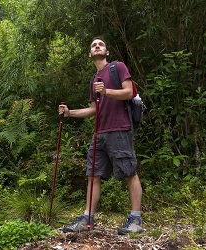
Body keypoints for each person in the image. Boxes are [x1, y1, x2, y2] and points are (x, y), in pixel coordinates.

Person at [58, 36, 143, 235]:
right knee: (93, 175)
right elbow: (93, 109)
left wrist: (106, 91)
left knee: (129, 172)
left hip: (120, 128)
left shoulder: (117, 67)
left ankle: (136, 219)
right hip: (99, 133)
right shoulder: (93, 80)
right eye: (93, 45)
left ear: (106, 52)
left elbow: (129, 92)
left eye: (101, 44)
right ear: (90, 54)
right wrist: (70, 113)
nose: (97, 47)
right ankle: (88, 218)